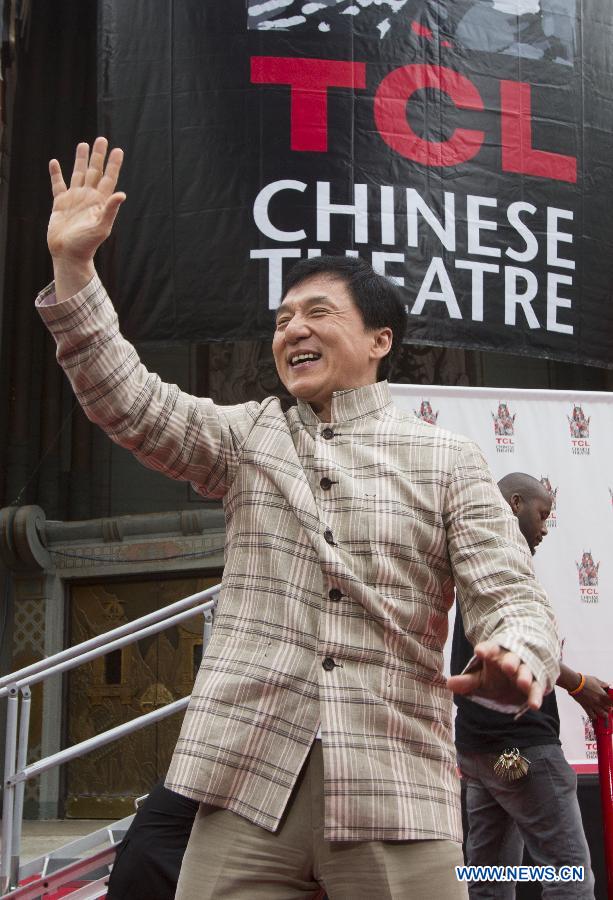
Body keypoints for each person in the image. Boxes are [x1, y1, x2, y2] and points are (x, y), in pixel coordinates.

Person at [38, 138, 560, 900]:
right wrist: (75, 271)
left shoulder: (446, 459)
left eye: (318, 313)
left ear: (380, 342)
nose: (292, 330)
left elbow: (510, 592)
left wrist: (517, 651)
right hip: (243, 787)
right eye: (283, 319)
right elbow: (131, 401)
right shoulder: (251, 436)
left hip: (395, 790)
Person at [451, 472, 612, 899]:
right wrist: (577, 683)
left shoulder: (478, 558)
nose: (544, 528)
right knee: (571, 878)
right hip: (518, 749)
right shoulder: (500, 561)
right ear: (514, 503)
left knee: (490, 881)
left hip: (483, 751)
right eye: (542, 515)